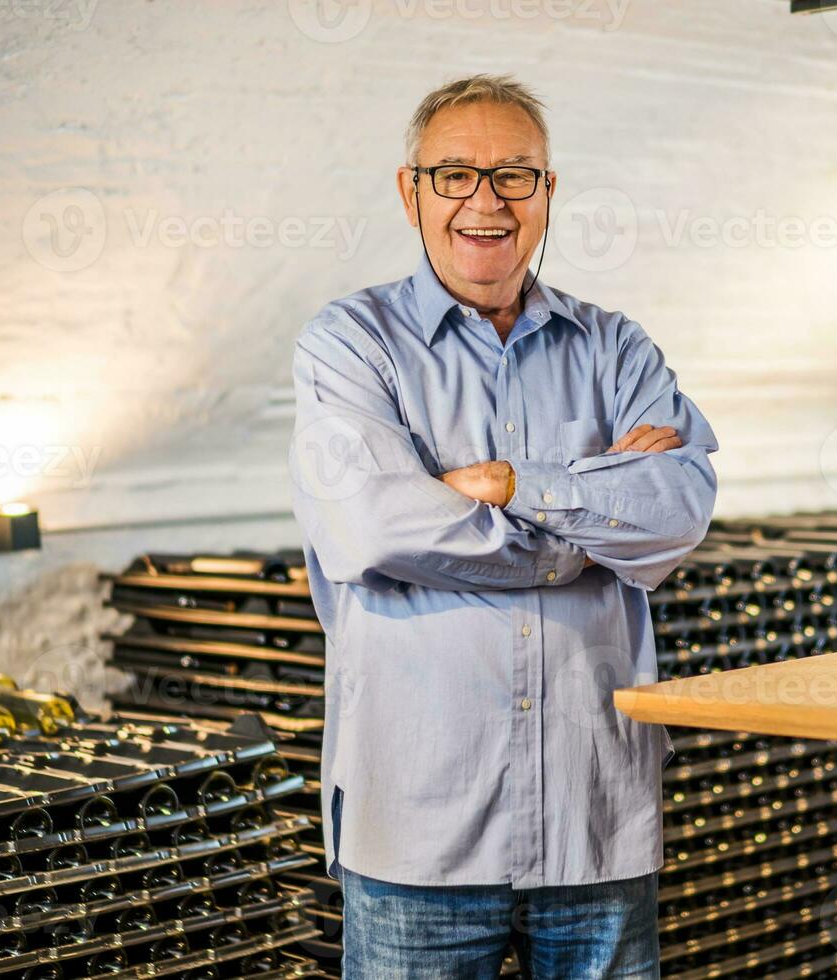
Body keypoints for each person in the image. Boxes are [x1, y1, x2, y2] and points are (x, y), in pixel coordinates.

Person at [288, 74, 718, 979]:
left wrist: (508, 483)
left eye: (515, 175)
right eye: (455, 175)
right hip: (418, 829)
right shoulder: (348, 345)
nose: (486, 201)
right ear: (412, 193)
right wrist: (592, 511)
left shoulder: (616, 348)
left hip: (594, 822)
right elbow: (371, 530)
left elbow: (677, 514)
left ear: (548, 193)